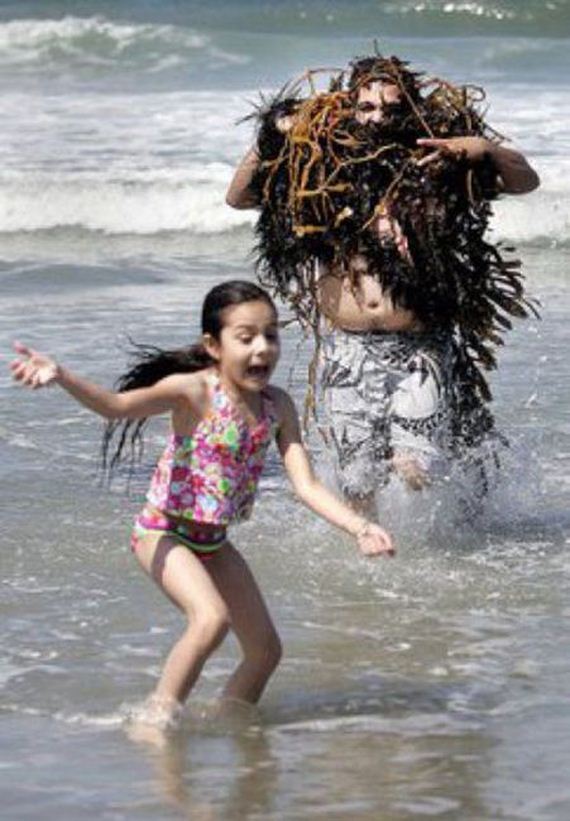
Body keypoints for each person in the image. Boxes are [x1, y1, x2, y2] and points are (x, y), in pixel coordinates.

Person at [9, 280, 394, 729]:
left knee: (266, 651)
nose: (262, 349)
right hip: (162, 533)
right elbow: (116, 407)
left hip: (213, 542)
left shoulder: (278, 406)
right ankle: (154, 723)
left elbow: (305, 485)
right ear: (213, 345)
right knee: (210, 620)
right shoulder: (194, 391)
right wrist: (61, 376)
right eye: (246, 337)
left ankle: (230, 724)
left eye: (271, 335)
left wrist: (360, 528)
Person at [226, 56, 540, 510]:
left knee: (415, 469)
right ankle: (374, 567)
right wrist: (272, 133)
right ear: (349, 108)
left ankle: (451, 546)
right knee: (356, 485)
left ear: (410, 111)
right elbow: (238, 197)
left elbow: (524, 182)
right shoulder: (321, 174)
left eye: (391, 110)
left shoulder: (437, 169)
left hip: (419, 348)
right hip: (345, 350)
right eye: (367, 108)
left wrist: (485, 149)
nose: (378, 119)